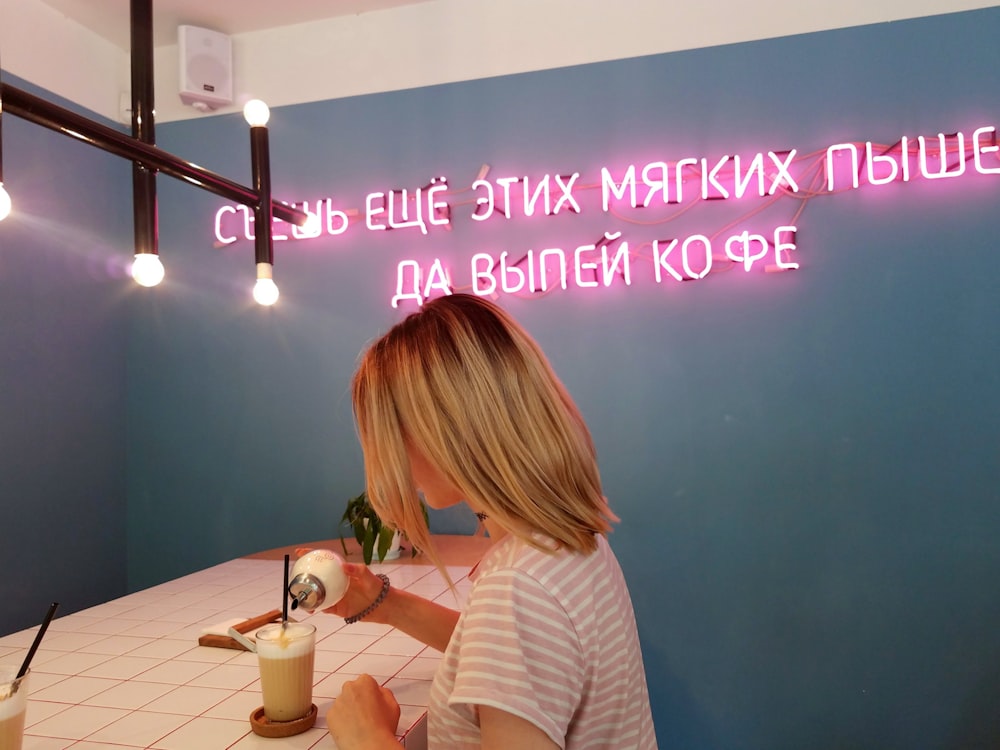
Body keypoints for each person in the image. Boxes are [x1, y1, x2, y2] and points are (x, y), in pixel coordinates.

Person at [324, 293, 657, 750]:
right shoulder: (563, 539)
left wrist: (369, 739)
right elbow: (506, 656)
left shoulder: (518, 588)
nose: (388, 462)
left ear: (444, 432)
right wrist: (388, 605)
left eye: (390, 436)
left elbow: (512, 626)